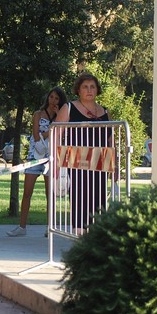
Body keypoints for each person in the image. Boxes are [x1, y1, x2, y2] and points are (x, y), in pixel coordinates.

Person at [7, 87, 67, 237]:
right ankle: (22, 227)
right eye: (51, 97)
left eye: (56, 99)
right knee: (27, 192)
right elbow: (35, 136)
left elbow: (63, 133)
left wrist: (59, 117)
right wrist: (52, 129)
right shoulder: (38, 115)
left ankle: (50, 227)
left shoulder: (61, 116)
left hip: (51, 158)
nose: (53, 101)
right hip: (35, 157)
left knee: (50, 194)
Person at [55, 73, 110, 234]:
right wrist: (56, 160)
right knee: (79, 196)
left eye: (92, 86)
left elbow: (110, 139)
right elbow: (56, 134)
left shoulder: (105, 111)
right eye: (85, 86)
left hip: (101, 160)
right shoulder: (69, 108)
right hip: (77, 158)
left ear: (97, 90)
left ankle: (97, 232)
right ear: (78, 90)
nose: (89, 90)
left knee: (99, 196)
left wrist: (116, 164)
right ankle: (79, 233)